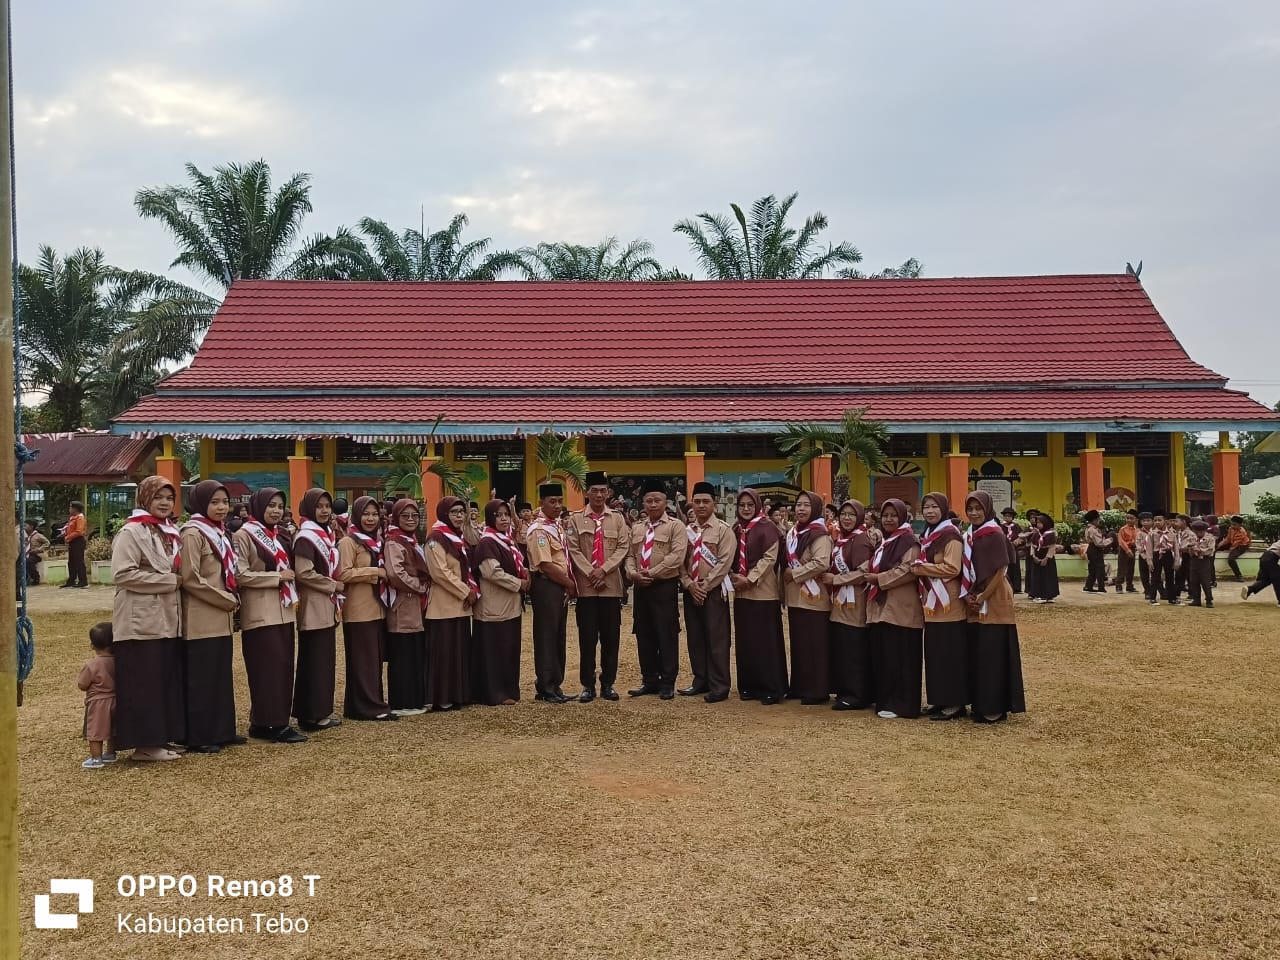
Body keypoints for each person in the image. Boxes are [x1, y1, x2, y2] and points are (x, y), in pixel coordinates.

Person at [110, 475, 185, 761]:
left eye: (169, 498)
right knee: (144, 683)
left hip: (165, 619)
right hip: (138, 622)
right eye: (158, 498)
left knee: (162, 680)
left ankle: (159, 738)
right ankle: (145, 745)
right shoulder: (132, 532)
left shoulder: (167, 531)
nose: (164, 503)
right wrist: (169, 581)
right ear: (144, 499)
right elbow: (123, 574)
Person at [233, 487, 305, 743]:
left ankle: (277, 720)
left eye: (279, 506)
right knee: (267, 669)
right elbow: (240, 574)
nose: (275, 511)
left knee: (283, 668)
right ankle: (267, 723)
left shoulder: (278, 535)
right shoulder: (244, 535)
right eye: (270, 505)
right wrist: (277, 577)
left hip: (284, 611)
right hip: (261, 613)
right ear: (258, 506)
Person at [178, 480, 243, 753]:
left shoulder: (219, 532)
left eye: (224, 502)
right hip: (201, 616)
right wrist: (226, 600)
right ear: (201, 503)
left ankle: (222, 730)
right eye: (214, 502)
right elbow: (191, 578)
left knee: (220, 676)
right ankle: (200, 735)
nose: (221, 507)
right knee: (201, 678)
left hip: (220, 616)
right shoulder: (193, 533)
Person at [962, 492, 1027, 724]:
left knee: (994, 653)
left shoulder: (995, 534)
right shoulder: (969, 535)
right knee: (979, 653)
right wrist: (970, 595)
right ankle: (981, 702)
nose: (973, 513)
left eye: (978, 508)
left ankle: (996, 706)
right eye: (969, 508)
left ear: (987, 509)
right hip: (974, 601)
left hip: (994, 598)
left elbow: (1000, 571)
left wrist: (981, 596)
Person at [566, 471, 630, 702]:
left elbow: (623, 547)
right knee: (587, 638)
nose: (599, 495)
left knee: (611, 638)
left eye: (603, 490)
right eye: (595, 490)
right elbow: (573, 549)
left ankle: (608, 684)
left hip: (610, 587)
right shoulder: (575, 519)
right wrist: (591, 572)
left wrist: (604, 570)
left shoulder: (618, 519)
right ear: (586, 493)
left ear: (608, 493)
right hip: (586, 588)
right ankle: (588, 685)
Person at [625, 478, 688, 699]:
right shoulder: (637, 528)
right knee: (644, 633)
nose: (653, 504)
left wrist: (651, 573)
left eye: (657, 500)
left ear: (665, 501)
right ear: (643, 503)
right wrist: (633, 573)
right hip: (641, 588)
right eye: (648, 500)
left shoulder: (675, 526)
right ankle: (649, 679)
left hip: (664, 586)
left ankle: (667, 682)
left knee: (667, 633)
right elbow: (630, 556)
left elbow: (677, 556)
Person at [911, 492, 969, 721]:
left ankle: (955, 702)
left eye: (935, 507)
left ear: (943, 509)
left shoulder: (950, 535)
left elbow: (952, 568)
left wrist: (922, 568)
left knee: (950, 654)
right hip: (931, 604)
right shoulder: (928, 534)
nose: (930, 511)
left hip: (949, 603)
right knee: (934, 654)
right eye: (926, 507)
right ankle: (938, 698)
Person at [338, 496, 395, 721]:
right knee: (363, 660)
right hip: (358, 610)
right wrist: (374, 572)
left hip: (378, 608)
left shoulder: (378, 540)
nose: (370, 518)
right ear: (356, 515)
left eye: (374, 514)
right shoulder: (348, 542)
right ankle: (369, 707)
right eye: (366, 514)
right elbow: (343, 573)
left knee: (373, 659)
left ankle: (362, 704)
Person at [864, 498, 922, 719]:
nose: (888, 519)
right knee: (886, 656)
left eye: (893, 515)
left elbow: (908, 570)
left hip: (902, 607)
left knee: (903, 657)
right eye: (885, 515)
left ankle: (904, 704)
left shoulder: (909, 541)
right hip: (883, 607)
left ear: (902, 517)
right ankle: (887, 700)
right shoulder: (885, 542)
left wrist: (878, 579)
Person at [292, 488, 344, 731]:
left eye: (327, 506)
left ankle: (320, 711)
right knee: (314, 662)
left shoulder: (325, 534)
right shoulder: (306, 537)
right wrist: (333, 585)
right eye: (319, 506)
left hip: (325, 605)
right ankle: (311, 714)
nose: (324, 510)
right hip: (313, 606)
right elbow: (304, 573)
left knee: (323, 662)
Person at [680, 480, 736, 703]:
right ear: (691, 504)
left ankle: (720, 685)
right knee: (695, 637)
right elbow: (680, 562)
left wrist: (705, 586)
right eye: (697, 501)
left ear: (715, 504)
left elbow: (724, 562)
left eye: (706, 501)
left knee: (717, 639)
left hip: (712, 591)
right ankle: (700, 679)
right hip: (691, 589)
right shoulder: (685, 532)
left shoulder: (724, 530)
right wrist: (688, 584)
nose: (701, 506)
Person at [731, 488, 786, 705]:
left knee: (766, 642)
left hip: (762, 592)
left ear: (758, 506)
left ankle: (771, 687)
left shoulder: (767, 527)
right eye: (742, 505)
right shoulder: (736, 528)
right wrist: (733, 576)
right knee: (746, 641)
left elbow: (769, 558)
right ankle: (749, 685)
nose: (745, 509)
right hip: (741, 594)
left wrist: (750, 578)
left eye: (750, 505)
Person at [472, 499, 528, 705]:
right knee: (494, 650)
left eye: (506, 514)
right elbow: (491, 572)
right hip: (493, 605)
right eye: (499, 515)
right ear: (490, 518)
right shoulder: (487, 541)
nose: (504, 519)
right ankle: (494, 692)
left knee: (508, 649)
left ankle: (508, 689)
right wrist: (519, 584)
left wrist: (526, 575)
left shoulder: (505, 539)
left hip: (509, 605)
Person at [424, 497, 478, 711]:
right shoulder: (436, 539)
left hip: (460, 606)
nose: (459, 516)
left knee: (459, 652)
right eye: (454, 512)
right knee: (444, 653)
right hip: (444, 605)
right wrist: (466, 592)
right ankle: (442, 695)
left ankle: (459, 693)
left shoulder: (457, 537)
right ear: (444, 514)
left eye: (461, 512)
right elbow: (440, 573)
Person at [783, 490, 834, 705]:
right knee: (799, 644)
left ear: (814, 509)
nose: (801, 509)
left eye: (806, 505)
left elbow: (822, 563)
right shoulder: (794, 532)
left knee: (815, 646)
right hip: (796, 597)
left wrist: (794, 574)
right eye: (798, 504)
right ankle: (800, 686)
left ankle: (817, 690)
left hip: (814, 598)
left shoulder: (820, 534)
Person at [527, 483, 576, 703]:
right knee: (547, 636)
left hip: (559, 586)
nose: (557, 506)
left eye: (559, 500)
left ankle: (556, 684)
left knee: (558, 635)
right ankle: (545, 686)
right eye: (552, 501)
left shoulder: (555, 526)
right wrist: (570, 583)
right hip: (547, 585)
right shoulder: (539, 530)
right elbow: (545, 564)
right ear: (541, 503)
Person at [825, 499, 874, 711]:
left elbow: (863, 573)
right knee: (843, 648)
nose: (846, 518)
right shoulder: (842, 540)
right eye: (843, 514)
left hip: (855, 603)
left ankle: (857, 694)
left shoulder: (861, 540)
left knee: (854, 650)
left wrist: (835, 580)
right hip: (840, 604)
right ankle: (846, 691)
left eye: (851, 515)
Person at [383, 498, 430, 716]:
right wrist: (419, 586)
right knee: (402, 655)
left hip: (415, 606)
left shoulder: (410, 540)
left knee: (414, 653)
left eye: (414, 516)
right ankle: (402, 702)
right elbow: (395, 573)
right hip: (403, 605)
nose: (410, 520)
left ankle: (415, 699)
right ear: (396, 518)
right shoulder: (394, 541)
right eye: (405, 516)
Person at [77, 622, 117, 769]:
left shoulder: (92, 664)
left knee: (95, 731)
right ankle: (111, 753)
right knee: (112, 729)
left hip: (98, 702)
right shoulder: (118, 661)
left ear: (92, 645)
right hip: (115, 699)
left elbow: (82, 685)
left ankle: (96, 759)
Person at [1144, 512, 1179, 606]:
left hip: (1168, 555)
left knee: (1170, 577)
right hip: (1156, 555)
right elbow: (1149, 548)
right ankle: (1152, 598)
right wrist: (1149, 561)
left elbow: (1176, 548)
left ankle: (1172, 598)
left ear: (1165, 521)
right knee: (1155, 577)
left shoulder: (1172, 533)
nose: (1157, 522)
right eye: (1155, 520)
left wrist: (1176, 560)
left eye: (1159, 520)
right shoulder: (1151, 534)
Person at [1027, 513, 1060, 603]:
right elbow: (1032, 546)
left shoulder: (1050, 534)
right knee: (1037, 577)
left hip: (1047, 558)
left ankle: (1049, 595)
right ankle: (1037, 595)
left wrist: (1047, 558)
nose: (1038, 525)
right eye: (1037, 523)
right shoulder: (1036, 534)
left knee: (1048, 576)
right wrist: (1033, 556)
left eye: (1040, 523)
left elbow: (1052, 547)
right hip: (1037, 557)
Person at [1187, 519, 1216, 608]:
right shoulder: (1192, 537)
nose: (1197, 533)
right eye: (1195, 531)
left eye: (1199, 531)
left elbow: (1210, 550)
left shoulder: (1210, 538)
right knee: (1193, 581)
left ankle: (1209, 600)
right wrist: (1191, 550)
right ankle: (1196, 599)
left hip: (1205, 561)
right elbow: (1189, 548)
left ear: (1204, 530)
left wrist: (1200, 550)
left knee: (1205, 581)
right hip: (1194, 560)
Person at [1081, 510, 1112, 593]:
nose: (1099, 521)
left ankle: (1088, 586)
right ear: (1094, 520)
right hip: (1095, 550)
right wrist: (1109, 540)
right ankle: (1101, 588)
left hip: (1090, 549)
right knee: (1100, 569)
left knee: (1093, 569)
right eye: (1098, 519)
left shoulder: (1088, 528)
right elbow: (1099, 543)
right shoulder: (1094, 530)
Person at [1241, 539, 1280, 604]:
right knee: (1277, 578)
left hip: (1264, 557)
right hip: (1271, 558)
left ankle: (1249, 589)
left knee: (1266, 580)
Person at [62, 499, 89, 588]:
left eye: (70, 507)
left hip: (78, 541)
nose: (69, 509)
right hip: (73, 541)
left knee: (78, 561)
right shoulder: (73, 518)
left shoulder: (80, 518)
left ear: (75, 509)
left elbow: (79, 531)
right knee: (71, 562)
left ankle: (83, 581)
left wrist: (68, 537)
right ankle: (71, 580)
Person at [1218, 516, 1252, 582]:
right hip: (1233, 543)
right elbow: (1228, 539)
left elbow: (1236, 544)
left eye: (1234, 524)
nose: (1232, 526)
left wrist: (1231, 548)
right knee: (1217, 547)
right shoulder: (1231, 529)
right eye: (1231, 524)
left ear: (1240, 525)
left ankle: (1239, 576)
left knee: (1231, 559)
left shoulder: (1242, 532)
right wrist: (1220, 544)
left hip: (1241, 546)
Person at [1000, 507, 1023, 594]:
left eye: (1009, 516)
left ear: (1012, 517)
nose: (1007, 518)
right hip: (1004, 550)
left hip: (1014, 549)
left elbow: (1021, 536)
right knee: (1006, 568)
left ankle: (1017, 587)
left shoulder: (1016, 526)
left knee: (1015, 567)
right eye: (1005, 516)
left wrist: (1019, 540)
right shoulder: (1001, 527)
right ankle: (1006, 586)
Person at [1116, 511, 1140, 594]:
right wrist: (1127, 550)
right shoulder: (1123, 529)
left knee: (1131, 568)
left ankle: (1129, 586)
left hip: (1133, 549)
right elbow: (1121, 541)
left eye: (1131, 518)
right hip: (1124, 550)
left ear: (1136, 520)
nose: (1129, 520)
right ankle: (1118, 585)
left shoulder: (1137, 530)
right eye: (1127, 518)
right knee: (1122, 568)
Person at [22, 519, 49, 587]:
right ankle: (23, 580)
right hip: (27, 554)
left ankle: (36, 578)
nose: (24, 527)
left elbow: (47, 543)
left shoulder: (38, 535)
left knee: (28, 561)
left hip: (36, 555)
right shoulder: (25, 536)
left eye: (25, 525)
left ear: (31, 527)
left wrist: (38, 549)